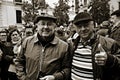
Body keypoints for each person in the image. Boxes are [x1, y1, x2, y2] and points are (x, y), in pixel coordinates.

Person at [16, 13, 71, 80]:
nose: (46, 27)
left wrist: (55, 77)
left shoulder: (64, 46)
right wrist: (23, 77)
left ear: (54, 27)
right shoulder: (27, 42)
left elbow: (67, 69)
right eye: (42, 24)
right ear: (37, 26)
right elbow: (19, 62)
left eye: (49, 24)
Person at [69, 12, 120, 80]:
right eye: (79, 26)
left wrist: (110, 59)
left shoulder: (109, 43)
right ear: (75, 28)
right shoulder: (72, 44)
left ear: (93, 25)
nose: (83, 29)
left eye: (86, 25)